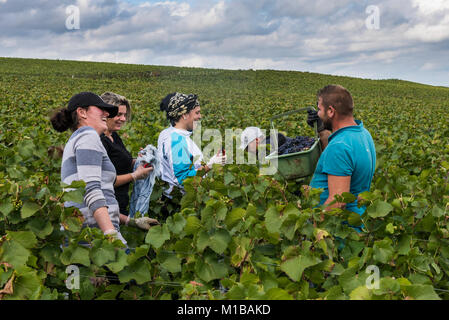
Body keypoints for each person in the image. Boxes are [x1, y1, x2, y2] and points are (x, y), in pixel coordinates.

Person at [50, 92, 157, 248]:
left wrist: (131, 222)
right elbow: (91, 189)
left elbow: (100, 193)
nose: (107, 114)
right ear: (82, 112)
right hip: (94, 236)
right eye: (101, 109)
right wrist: (110, 234)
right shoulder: (88, 137)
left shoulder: (78, 139)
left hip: (87, 233)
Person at [308, 85, 376, 220]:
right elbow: (341, 157)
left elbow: (338, 202)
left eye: (320, 110)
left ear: (331, 111)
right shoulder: (362, 133)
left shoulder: (339, 146)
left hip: (337, 233)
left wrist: (313, 224)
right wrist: (321, 130)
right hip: (358, 217)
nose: (318, 114)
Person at [158, 92, 226, 200]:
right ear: (184, 115)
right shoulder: (177, 140)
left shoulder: (167, 133)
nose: (200, 117)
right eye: (197, 113)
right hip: (182, 202)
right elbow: (183, 179)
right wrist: (210, 165)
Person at [99, 92, 154, 221]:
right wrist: (135, 175)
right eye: (119, 114)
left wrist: (141, 160)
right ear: (105, 114)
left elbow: (123, 162)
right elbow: (103, 181)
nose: (123, 119)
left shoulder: (113, 136)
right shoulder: (100, 141)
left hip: (119, 206)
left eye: (124, 115)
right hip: (105, 210)